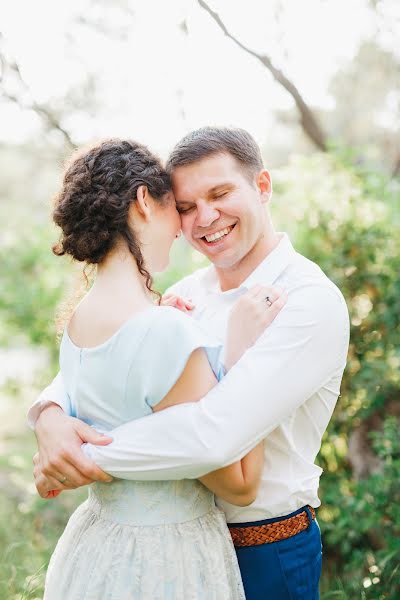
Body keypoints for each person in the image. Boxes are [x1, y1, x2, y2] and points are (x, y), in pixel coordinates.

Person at [30, 127, 350, 600]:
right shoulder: (185, 294)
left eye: (220, 193)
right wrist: (50, 415)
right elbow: (118, 357)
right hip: (172, 545)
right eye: (185, 206)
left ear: (262, 187)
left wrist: (86, 456)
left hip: (264, 548)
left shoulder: (305, 302)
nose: (204, 218)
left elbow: (214, 435)